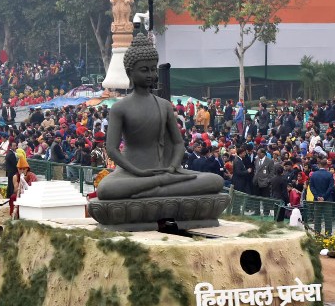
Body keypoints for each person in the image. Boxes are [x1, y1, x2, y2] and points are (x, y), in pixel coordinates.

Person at [95, 34, 223, 200]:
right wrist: (137, 171)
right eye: (144, 70)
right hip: (131, 174)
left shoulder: (164, 105)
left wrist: (172, 167)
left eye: (153, 69)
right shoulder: (120, 107)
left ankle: (154, 189)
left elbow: (178, 144)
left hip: (165, 170)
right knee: (106, 189)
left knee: (215, 181)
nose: (150, 74)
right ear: (129, 72)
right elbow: (111, 149)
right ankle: (159, 186)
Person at [308, 162, 335, 234]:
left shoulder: (314, 174)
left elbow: (311, 187)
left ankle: (317, 234)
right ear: (326, 166)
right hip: (327, 200)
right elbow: (331, 187)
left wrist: (317, 196)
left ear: (319, 165)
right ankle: (328, 234)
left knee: (317, 218)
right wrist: (324, 197)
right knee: (328, 218)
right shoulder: (330, 174)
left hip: (317, 200)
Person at [10, 151, 38, 217]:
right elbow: (15, 191)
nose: (22, 171)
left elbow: (35, 188)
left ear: (27, 169)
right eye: (20, 169)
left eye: (24, 169)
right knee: (13, 197)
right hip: (20, 194)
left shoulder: (32, 176)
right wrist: (21, 182)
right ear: (17, 169)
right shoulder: (15, 177)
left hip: (31, 194)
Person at [252, 148, 275, 216]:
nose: (257, 155)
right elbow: (255, 170)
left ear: (263, 153)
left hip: (265, 183)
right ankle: (257, 211)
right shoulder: (256, 160)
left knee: (265, 198)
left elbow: (272, 172)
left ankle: (266, 212)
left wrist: (268, 180)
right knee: (256, 198)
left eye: (258, 153)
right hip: (257, 182)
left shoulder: (269, 161)